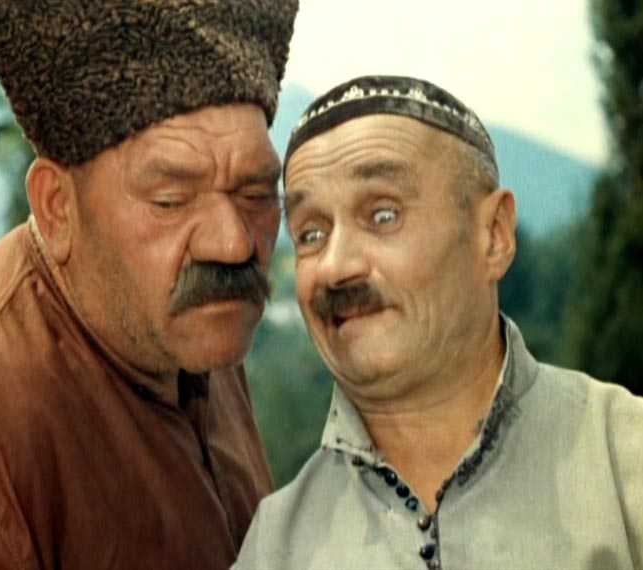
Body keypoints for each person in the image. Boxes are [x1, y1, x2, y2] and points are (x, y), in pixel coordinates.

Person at [0, 1, 298, 568]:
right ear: (58, 209)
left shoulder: (193, 316)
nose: (233, 243)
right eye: (170, 201)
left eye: (255, 194)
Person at [234, 75, 643, 570]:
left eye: (383, 216)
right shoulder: (277, 545)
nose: (336, 266)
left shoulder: (623, 461)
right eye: (311, 234)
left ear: (493, 235)